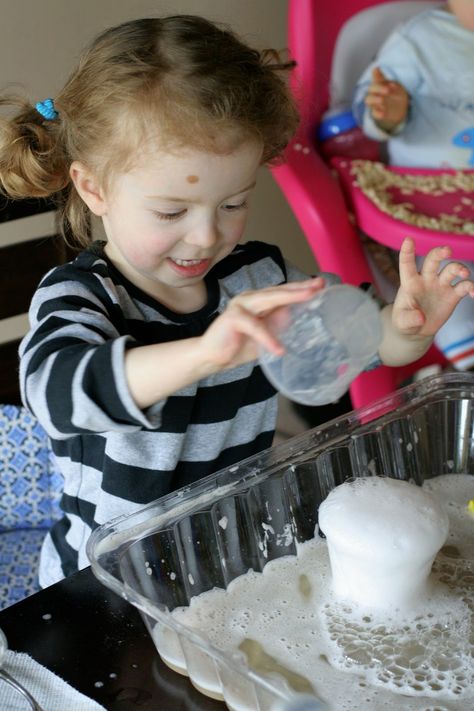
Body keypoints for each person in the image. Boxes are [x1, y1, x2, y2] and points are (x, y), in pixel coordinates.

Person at [0, 15, 472, 588]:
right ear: (93, 187)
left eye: (233, 203)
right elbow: (55, 396)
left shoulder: (258, 275)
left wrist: (406, 329)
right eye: (171, 212)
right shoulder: (82, 295)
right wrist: (206, 352)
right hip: (111, 575)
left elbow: (362, 348)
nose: (205, 236)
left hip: (232, 548)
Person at [352, 0, 474, 370]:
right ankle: (466, 350)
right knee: (440, 271)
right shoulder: (419, 40)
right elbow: (365, 110)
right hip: (430, 201)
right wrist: (387, 112)